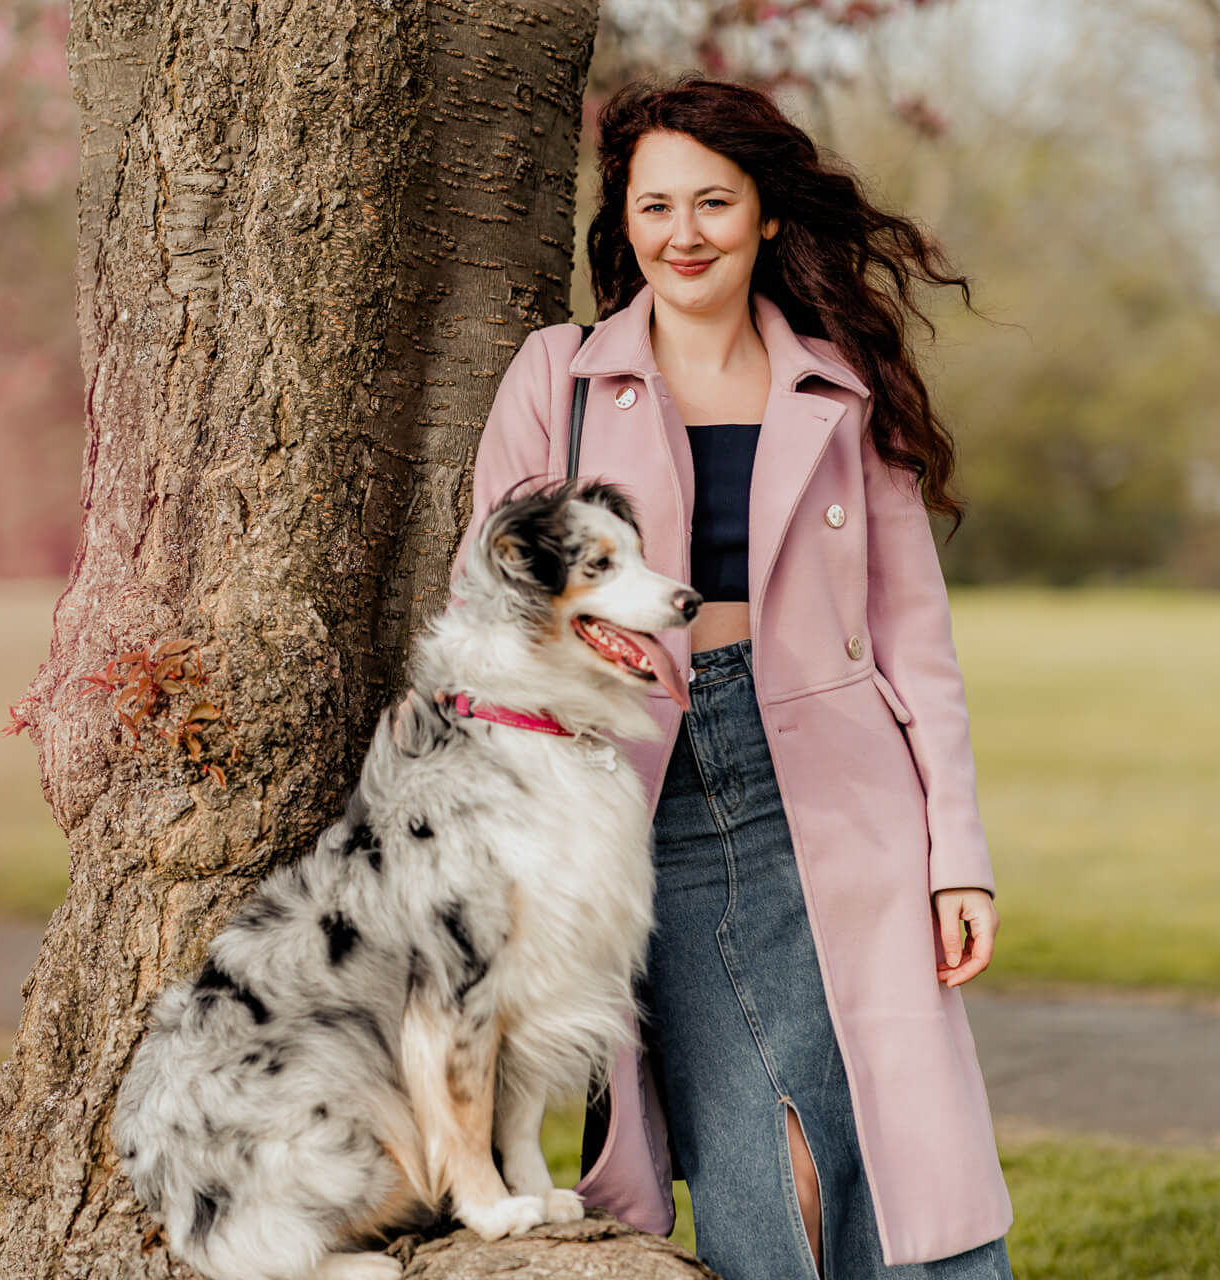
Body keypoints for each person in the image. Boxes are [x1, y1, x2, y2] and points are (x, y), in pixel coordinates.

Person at [450, 77, 1015, 1278]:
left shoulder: (840, 383)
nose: (684, 232)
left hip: (835, 776)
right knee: (752, 1119)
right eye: (656, 206)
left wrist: (955, 851)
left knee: (890, 1113)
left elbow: (916, 635)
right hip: (630, 783)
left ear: (765, 216)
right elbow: (490, 587)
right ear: (626, 220)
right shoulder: (557, 377)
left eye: (714, 201)